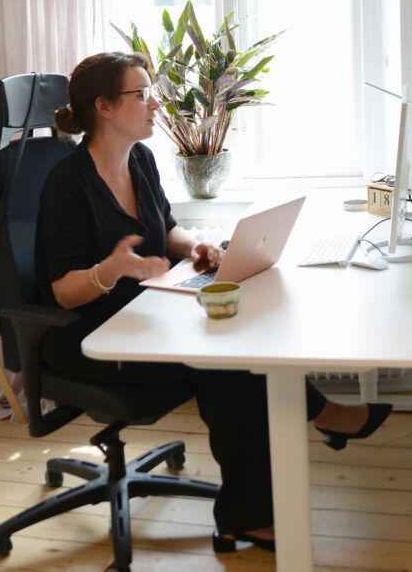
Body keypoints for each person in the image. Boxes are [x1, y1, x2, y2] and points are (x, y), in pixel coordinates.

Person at [37, 51, 393, 553]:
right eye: (141, 95)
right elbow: (61, 290)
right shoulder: (67, 185)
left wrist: (197, 248)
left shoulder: (138, 159)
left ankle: (304, 438)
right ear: (105, 108)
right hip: (90, 337)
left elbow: (167, 228)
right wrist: (109, 270)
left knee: (244, 336)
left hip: (147, 313)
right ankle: (253, 507)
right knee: (228, 365)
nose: (154, 104)